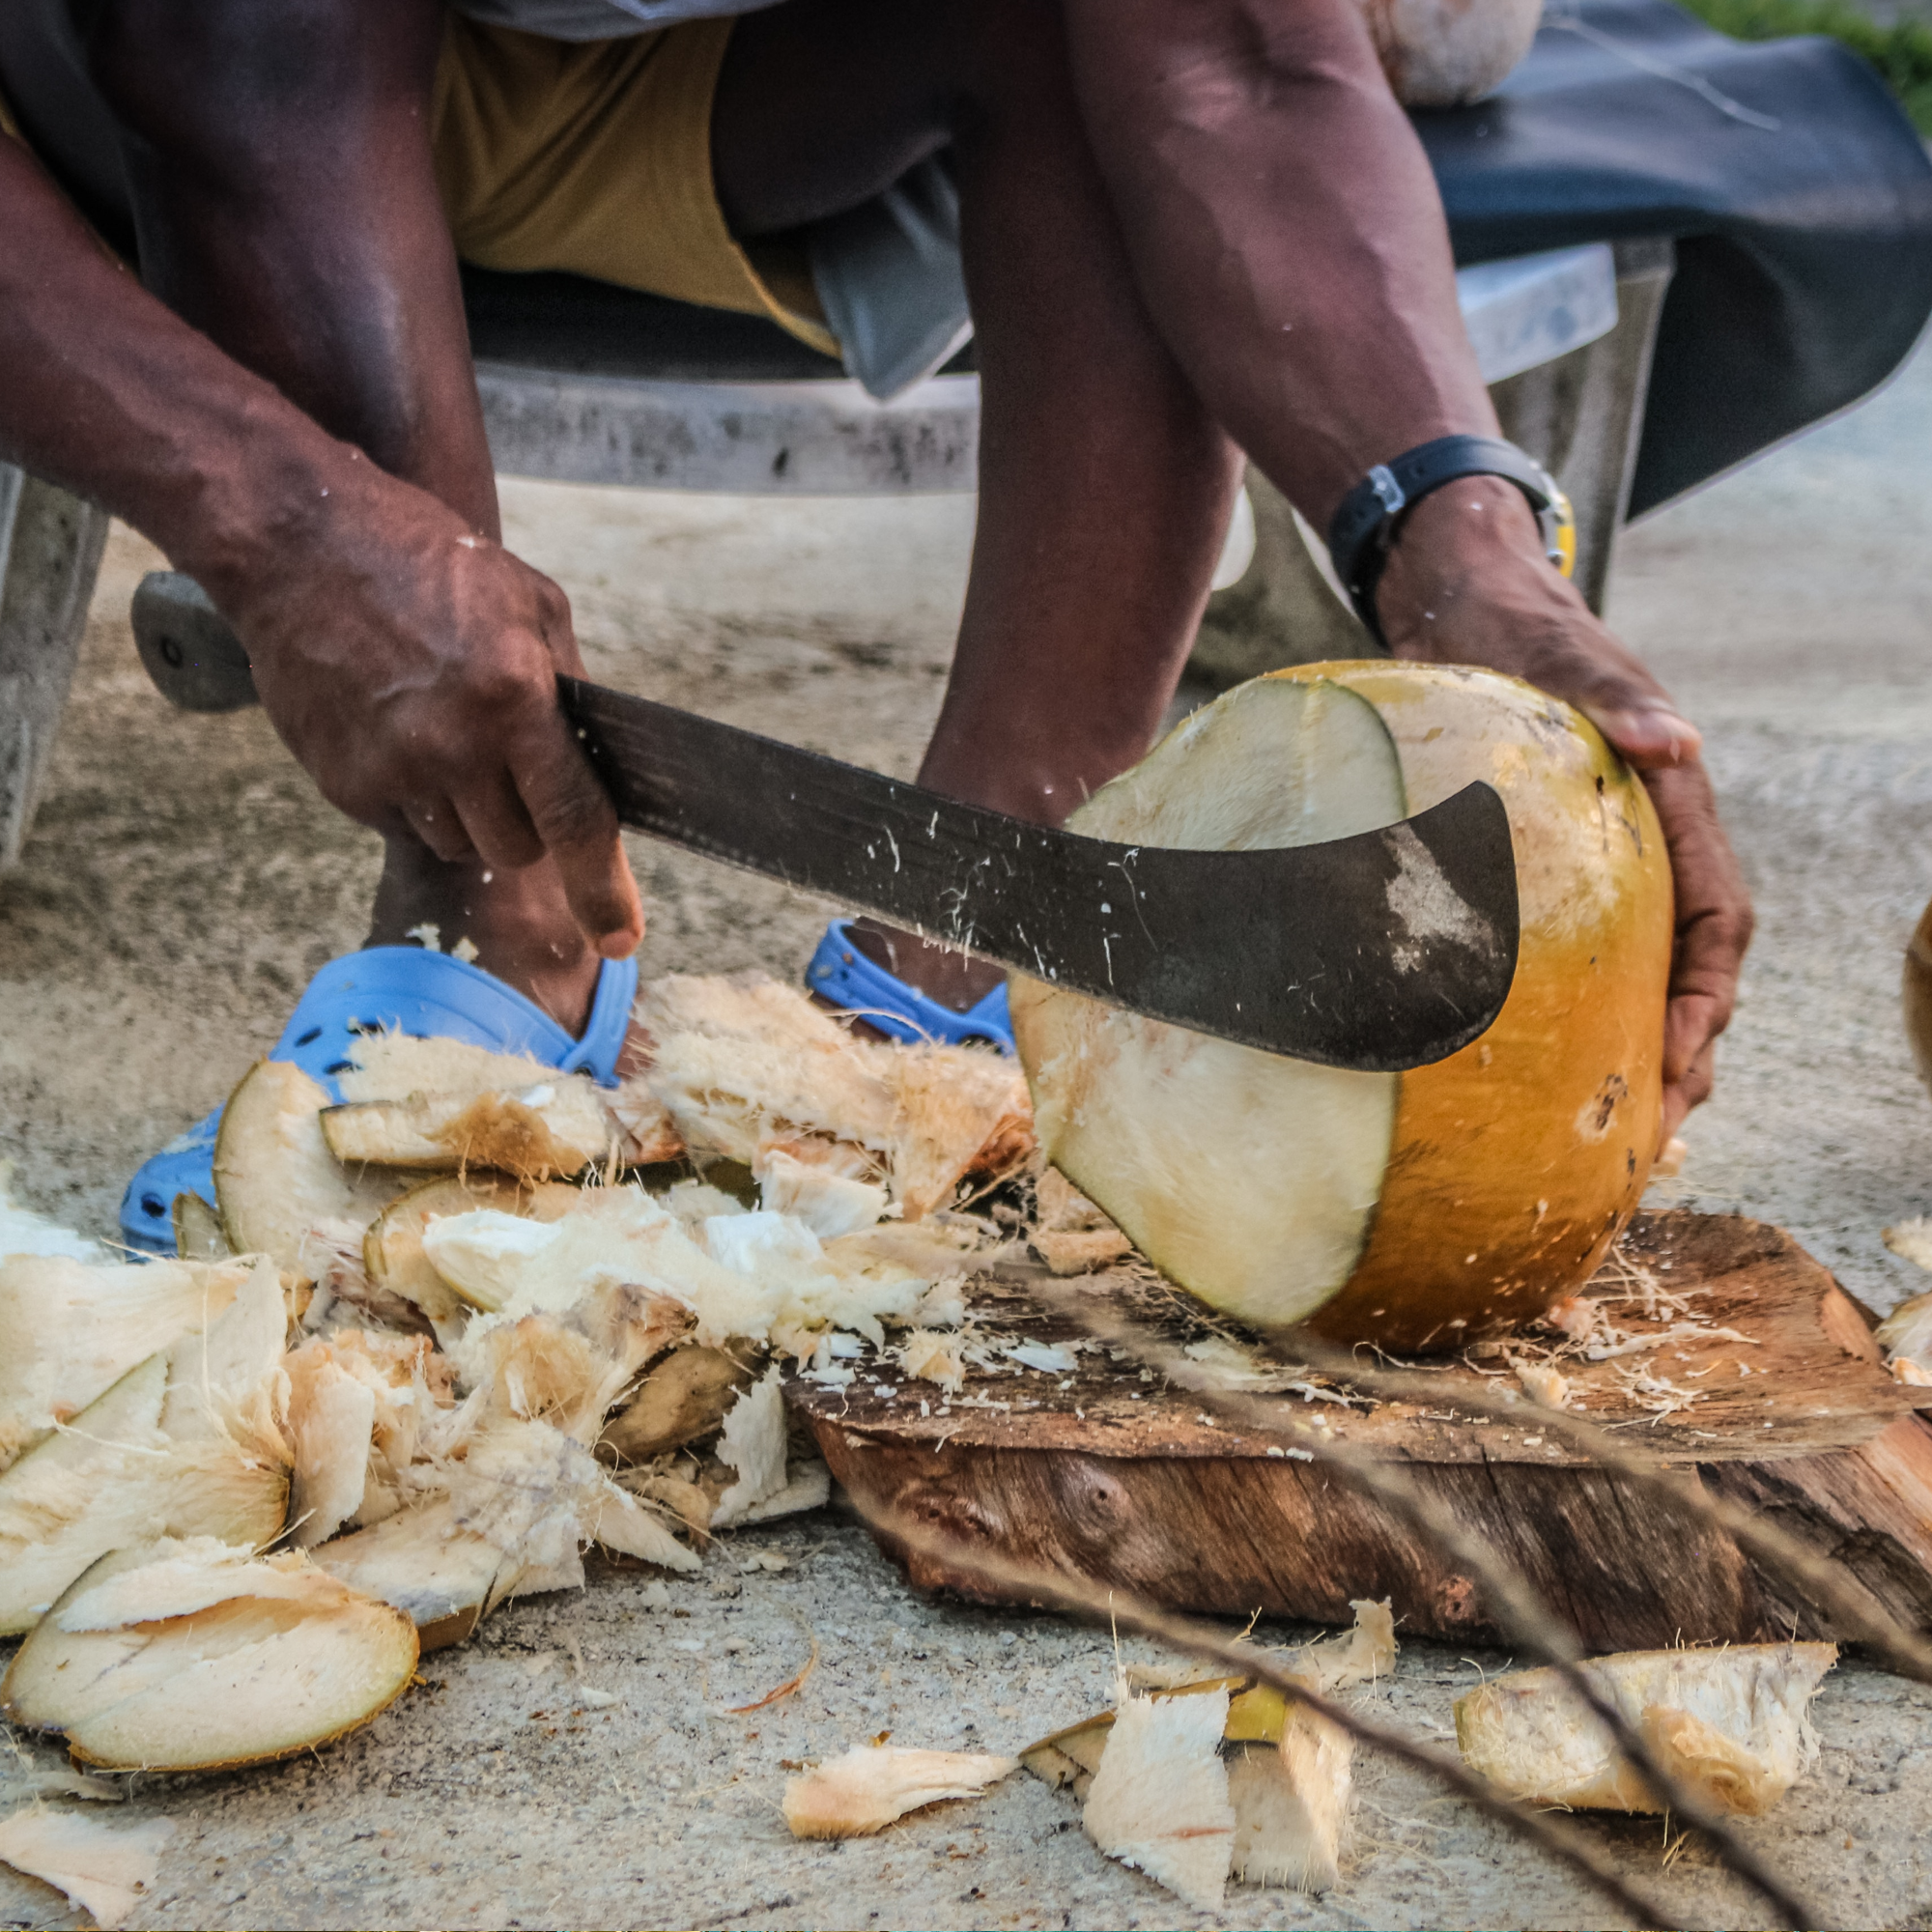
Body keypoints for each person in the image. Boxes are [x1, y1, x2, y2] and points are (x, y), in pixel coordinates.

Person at [0, 0, 1748, 1253]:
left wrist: (1458, 547)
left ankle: (984, 927)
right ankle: (494, 920)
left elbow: (1237, 61)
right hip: (186, 93)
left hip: (753, 91)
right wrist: (276, 522)